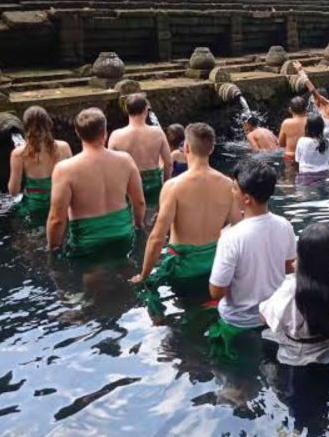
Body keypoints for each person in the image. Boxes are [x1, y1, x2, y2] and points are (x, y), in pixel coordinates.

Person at [131, 123, 241, 313]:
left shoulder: (174, 186)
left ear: (186, 147)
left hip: (184, 269)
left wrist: (143, 275)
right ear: (212, 148)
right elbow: (239, 227)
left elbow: (157, 238)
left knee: (159, 297)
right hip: (215, 265)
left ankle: (159, 318)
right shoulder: (227, 184)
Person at [207, 159, 297, 358]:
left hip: (239, 322)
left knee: (233, 378)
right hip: (274, 318)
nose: (232, 192)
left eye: (235, 188)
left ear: (246, 199)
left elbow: (216, 291)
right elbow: (289, 267)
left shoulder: (231, 237)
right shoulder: (285, 225)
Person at [47, 108, 145, 258]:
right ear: (104, 132)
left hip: (87, 241)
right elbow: (139, 202)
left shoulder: (64, 169)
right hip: (122, 235)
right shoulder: (125, 160)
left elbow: (57, 220)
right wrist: (138, 227)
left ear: (78, 133)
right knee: (125, 270)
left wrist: (53, 249)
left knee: (90, 277)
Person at [259, 223, 329, 365]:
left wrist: (297, 274)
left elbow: (265, 317)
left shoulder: (291, 287)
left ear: (301, 255)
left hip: (298, 357)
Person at [108, 93, 172, 204]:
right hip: (154, 181)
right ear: (146, 110)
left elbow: (110, 166)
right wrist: (166, 183)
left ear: (126, 110)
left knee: (131, 214)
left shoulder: (116, 135)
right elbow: (168, 162)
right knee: (153, 215)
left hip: (128, 181)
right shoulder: (157, 132)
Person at [8, 106, 73, 217]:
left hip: (33, 208)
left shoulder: (18, 154)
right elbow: (73, 180)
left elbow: (14, 191)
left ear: (25, 127)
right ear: (48, 123)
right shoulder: (64, 147)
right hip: (59, 203)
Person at [278, 96, 308, 163]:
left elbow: (281, 144)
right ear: (305, 109)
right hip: (306, 157)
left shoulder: (286, 123)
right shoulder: (310, 121)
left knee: (290, 173)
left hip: (290, 157)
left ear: (290, 110)